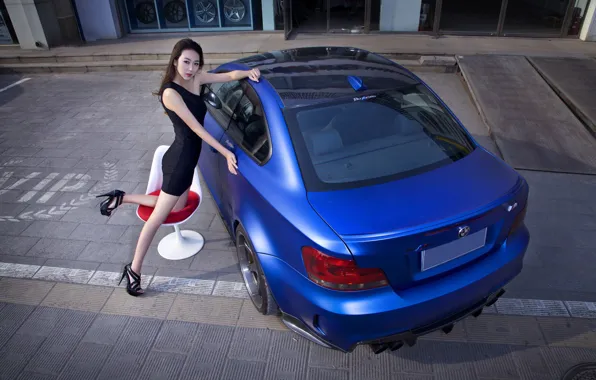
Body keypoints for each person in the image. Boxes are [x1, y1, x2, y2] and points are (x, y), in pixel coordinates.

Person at [95, 38, 260, 296]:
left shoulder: (197, 79)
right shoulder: (170, 93)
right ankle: (134, 270)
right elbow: (195, 127)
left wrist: (248, 73)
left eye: (195, 63)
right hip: (180, 162)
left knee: (178, 206)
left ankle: (122, 197)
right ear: (174, 61)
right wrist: (226, 151)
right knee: (157, 219)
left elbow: (227, 76)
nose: (191, 68)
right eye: (186, 62)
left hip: (185, 156)